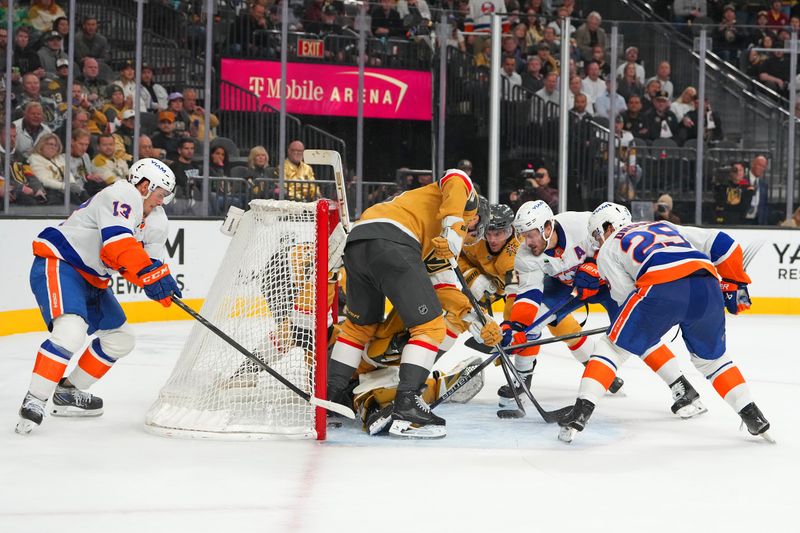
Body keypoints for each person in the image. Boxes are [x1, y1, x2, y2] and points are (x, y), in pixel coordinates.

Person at [558, 202, 772, 443]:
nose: (598, 241)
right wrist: (737, 284)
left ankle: (581, 412)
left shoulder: (608, 249)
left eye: (598, 233)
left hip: (660, 287)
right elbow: (724, 243)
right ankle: (753, 415)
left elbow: (627, 298)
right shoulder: (663, 225)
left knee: (612, 347)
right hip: (708, 284)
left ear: (608, 226)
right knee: (713, 361)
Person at [326, 169, 500, 439]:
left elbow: (443, 288)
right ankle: (407, 405)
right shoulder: (464, 201)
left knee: (359, 327)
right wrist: (454, 230)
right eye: (472, 230)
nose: (469, 237)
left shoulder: (433, 244)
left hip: (359, 242)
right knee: (430, 328)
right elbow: (456, 176)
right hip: (394, 240)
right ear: (475, 218)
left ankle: (332, 395)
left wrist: (477, 320)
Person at [15, 158, 181, 434]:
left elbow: (147, 264)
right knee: (70, 332)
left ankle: (68, 392)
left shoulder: (157, 220)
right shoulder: (122, 194)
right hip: (62, 264)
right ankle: (35, 399)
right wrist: (150, 276)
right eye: (160, 194)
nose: (162, 202)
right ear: (144, 185)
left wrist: (163, 286)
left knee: (120, 339)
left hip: (93, 278)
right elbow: (118, 245)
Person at [499, 200, 705, 419]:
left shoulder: (580, 224)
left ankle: (683, 388)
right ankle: (521, 380)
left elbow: (616, 245)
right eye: (522, 235)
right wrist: (517, 326)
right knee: (532, 322)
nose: (527, 242)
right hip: (567, 286)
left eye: (531, 235)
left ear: (547, 228)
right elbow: (529, 293)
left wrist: (595, 266)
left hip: (609, 283)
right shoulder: (525, 254)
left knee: (637, 331)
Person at [28, 132, 86, 205]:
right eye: (50, 144)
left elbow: (67, 172)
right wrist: (65, 186)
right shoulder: (35, 158)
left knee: (83, 193)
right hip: (50, 191)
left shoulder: (58, 158)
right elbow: (43, 180)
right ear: (41, 145)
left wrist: (72, 184)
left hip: (64, 189)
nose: (53, 147)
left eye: (56, 145)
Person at [745, 155, 769, 225]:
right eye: (760, 165)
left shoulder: (764, 185)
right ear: (753, 164)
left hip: (757, 223)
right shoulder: (742, 180)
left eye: (763, 167)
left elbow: (764, 206)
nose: (761, 168)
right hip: (742, 221)